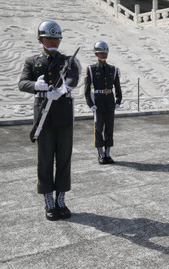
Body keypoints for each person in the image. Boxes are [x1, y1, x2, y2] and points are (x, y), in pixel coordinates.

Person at [18, 20, 80, 221]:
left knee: (64, 158)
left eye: (56, 38)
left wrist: (64, 89)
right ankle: (48, 200)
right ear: (40, 39)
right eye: (49, 38)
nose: (53, 41)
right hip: (43, 117)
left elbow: (73, 78)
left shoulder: (68, 61)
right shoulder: (32, 61)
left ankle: (61, 198)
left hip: (63, 115)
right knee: (45, 159)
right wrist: (37, 85)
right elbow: (22, 83)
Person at [85, 41, 123, 165]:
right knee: (98, 128)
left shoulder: (113, 69)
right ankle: (100, 153)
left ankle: (108, 152)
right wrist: (90, 103)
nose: (103, 55)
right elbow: (86, 89)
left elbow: (117, 87)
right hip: (98, 101)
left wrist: (118, 100)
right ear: (96, 53)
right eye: (101, 53)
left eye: (105, 52)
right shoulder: (91, 69)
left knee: (109, 128)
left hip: (109, 102)